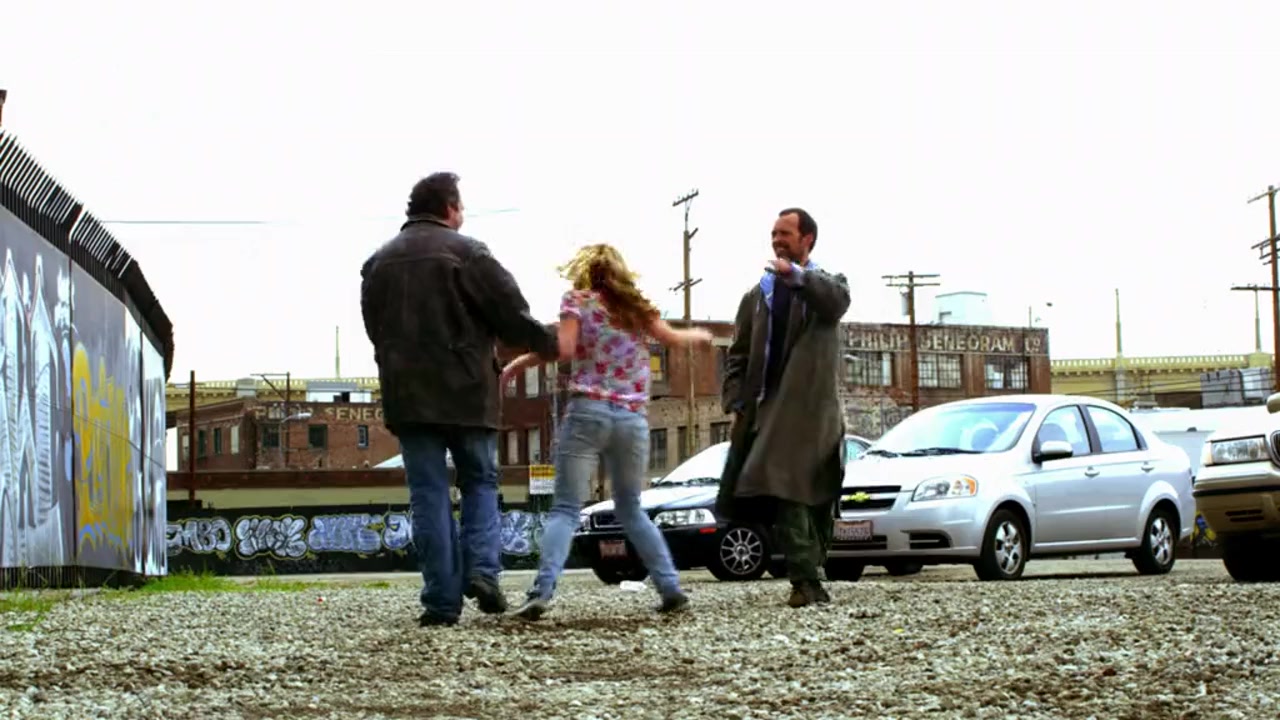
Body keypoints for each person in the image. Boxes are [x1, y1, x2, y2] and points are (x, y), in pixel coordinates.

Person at [360, 172, 559, 626]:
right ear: (450, 208)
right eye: (461, 206)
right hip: (468, 394)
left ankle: (440, 603)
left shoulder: (377, 264)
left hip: (408, 397)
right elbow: (511, 314)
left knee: (428, 494)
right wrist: (548, 342)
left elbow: (376, 330)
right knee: (480, 482)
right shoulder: (468, 254)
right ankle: (483, 572)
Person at [499, 243, 712, 620]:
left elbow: (564, 349)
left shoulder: (577, 301)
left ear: (586, 271)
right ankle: (670, 589)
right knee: (631, 509)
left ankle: (541, 592)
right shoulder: (636, 309)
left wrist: (519, 363)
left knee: (566, 508)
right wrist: (700, 336)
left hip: (589, 411)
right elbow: (673, 339)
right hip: (632, 418)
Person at [716, 207, 851, 608]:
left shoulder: (828, 286)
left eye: (785, 234)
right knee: (786, 491)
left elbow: (836, 302)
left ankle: (813, 570)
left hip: (816, 412)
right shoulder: (758, 296)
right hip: (771, 413)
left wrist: (797, 277)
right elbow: (738, 354)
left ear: (807, 239)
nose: (777, 240)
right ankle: (804, 580)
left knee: (821, 494)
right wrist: (736, 401)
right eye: (774, 233)